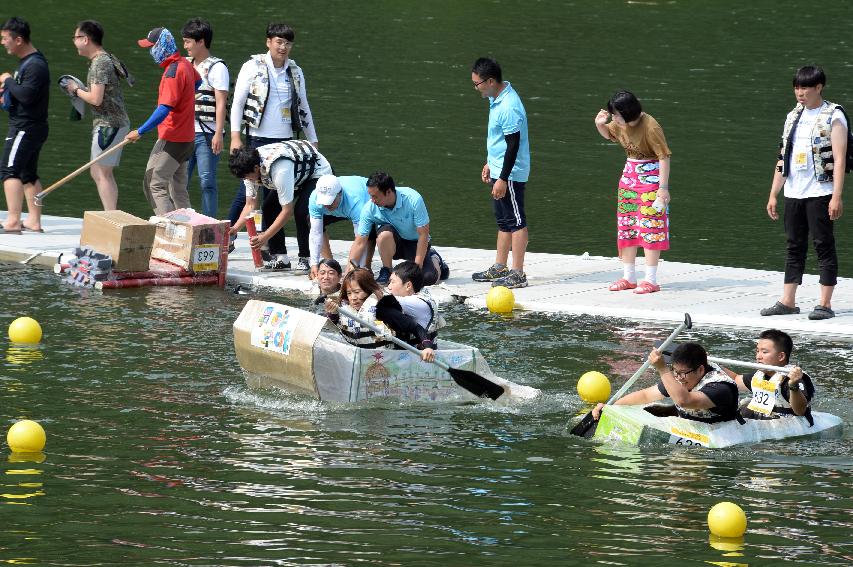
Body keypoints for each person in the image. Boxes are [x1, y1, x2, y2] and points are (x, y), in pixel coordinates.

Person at [226, 23, 319, 272]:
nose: (283, 47)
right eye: (279, 42)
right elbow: (238, 104)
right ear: (268, 42)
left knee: (275, 200)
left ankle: (272, 249)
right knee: (248, 193)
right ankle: (230, 234)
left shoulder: (295, 72)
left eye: (288, 43)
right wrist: (236, 137)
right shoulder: (252, 67)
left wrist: (313, 138)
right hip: (258, 138)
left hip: (286, 142)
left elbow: (304, 106)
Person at [761, 66, 846, 320]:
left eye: (805, 87)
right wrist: (774, 193)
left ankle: (825, 304)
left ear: (819, 87)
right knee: (793, 246)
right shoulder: (793, 116)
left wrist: (836, 196)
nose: (800, 92)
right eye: (797, 87)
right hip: (794, 192)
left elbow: (839, 160)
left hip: (821, 191)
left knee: (823, 245)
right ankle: (788, 301)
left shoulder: (834, 115)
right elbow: (783, 157)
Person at [594, 90, 671, 294]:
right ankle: (629, 277)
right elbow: (610, 134)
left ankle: (651, 280)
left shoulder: (650, 126)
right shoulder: (621, 124)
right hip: (629, 177)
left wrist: (662, 189)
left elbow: (664, 157)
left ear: (627, 113)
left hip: (651, 178)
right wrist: (600, 124)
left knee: (651, 228)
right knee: (627, 225)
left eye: (616, 115)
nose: (614, 119)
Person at [126, 27, 201, 215]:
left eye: (152, 47)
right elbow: (198, 82)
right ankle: (189, 233)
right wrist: (185, 99)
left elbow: (164, 109)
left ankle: (170, 230)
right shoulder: (185, 63)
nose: (151, 52)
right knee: (178, 190)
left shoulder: (172, 73)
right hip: (188, 138)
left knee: (154, 183)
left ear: (161, 46)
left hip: (172, 138)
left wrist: (140, 131)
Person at [470, 57, 531, 289]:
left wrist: (503, 178)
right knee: (503, 220)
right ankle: (500, 267)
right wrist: (489, 163)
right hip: (499, 168)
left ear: (491, 81)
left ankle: (518, 273)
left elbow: (513, 145)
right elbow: (499, 140)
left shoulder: (509, 106)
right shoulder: (496, 98)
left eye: (477, 84)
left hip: (511, 173)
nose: (476, 88)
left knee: (516, 221)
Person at [228, 142, 332, 271]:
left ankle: (306, 258)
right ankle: (281, 258)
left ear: (256, 168)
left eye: (248, 177)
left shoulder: (280, 169)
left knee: (302, 212)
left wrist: (264, 236)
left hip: (316, 173)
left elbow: (287, 211)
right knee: (268, 207)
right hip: (295, 174)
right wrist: (235, 228)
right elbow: (250, 204)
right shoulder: (248, 167)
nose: (247, 180)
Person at [66, 20, 130, 211]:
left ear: (85, 39)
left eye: (75, 37)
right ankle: (110, 215)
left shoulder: (100, 63)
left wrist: (76, 90)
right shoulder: (103, 59)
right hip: (110, 123)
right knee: (98, 172)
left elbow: (96, 98)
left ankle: (111, 217)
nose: (73, 41)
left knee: (102, 172)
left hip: (110, 124)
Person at [591, 343, 740, 424]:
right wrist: (611, 408)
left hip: (719, 431)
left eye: (683, 373)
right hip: (691, 423)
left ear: (700, 369)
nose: (679, 378)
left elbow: (684, 401)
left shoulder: (721, 388)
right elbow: (645, 395)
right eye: (674, 371)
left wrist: (662, 368)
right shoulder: (682, 375)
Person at [347, 171, 448, 286]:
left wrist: (416, 268)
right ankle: (387, 270)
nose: (372, 200)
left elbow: (423, 235)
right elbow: (360, 242)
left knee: (427, 278)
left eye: (375, 196)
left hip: (415, 243)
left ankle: (436, 259)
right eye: (370, 196)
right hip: (392, 242)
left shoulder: (413, 200)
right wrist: (348, 275)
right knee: (384, 233)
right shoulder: (369, 208)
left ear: (389, 192)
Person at [0, 17, 49, 233]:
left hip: (25, 128)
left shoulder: (35, 65)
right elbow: (24, 97)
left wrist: (8, 80)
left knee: (9, 171)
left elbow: (27, 96)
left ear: (18, 40)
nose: (3, 42)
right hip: (31, 126)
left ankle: (12, 221)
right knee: (29, 174)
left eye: (5, 38)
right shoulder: (30, 63)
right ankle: (34, 221)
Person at [182, 18, 229, 219]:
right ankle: (180, 220)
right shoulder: (185, 64)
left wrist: (218, 133)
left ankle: (209, 224)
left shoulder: (217, 67)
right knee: (179, 180)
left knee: (206, 180)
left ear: (201, 41)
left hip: (207, 133)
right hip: (185, 132)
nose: (185, 46)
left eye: (188, 41)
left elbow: (220, 102)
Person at [725, 329, 815, 423]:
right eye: (757, 351)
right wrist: (711, 364)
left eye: (764, 352)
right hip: (763, 422)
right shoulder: (759, 375)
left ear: (781, 356)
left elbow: (800, 411)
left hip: (788, 425)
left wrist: (793, 385)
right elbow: (735, 379)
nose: (758, 356)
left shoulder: (791, 379)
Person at [308, 174, 375, 279]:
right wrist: (314, 264)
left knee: (369, 231)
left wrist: (355, 269)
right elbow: (315, 233)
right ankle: (331, 265)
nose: (326, 205)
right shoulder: (314, 199)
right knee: (310, 221)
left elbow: (361, 239)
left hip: (364, 202)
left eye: (330, 201)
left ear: (340, 194)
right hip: (345, 209)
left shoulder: (356, 201)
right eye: (323, 202)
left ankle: (365, 267)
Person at [373, 260, 441, 362]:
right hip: (414, 354)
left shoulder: (416, 302)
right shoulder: (421, 295)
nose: (389, 286)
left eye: (393, 282)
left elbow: (380, 301)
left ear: (408, 285)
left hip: (425, 358)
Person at [324, 267, 392, 349]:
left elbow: (394, 331)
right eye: (349, 293)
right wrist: (332, 313)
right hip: (353, 354)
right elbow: (331, 326)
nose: (353, 298)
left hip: (381, 357)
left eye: (357, 292)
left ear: (369, 290)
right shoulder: (343, 308)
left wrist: (380, 323)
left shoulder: (383, 307)